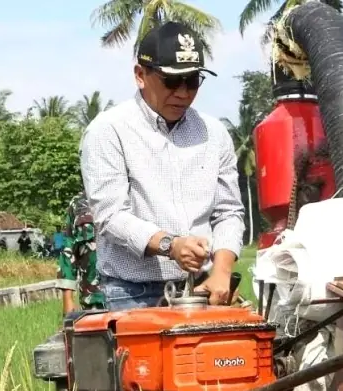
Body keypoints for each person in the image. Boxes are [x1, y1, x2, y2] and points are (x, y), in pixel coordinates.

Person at [80, 21, 245, 311]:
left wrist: (221, 271)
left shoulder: (214, 133)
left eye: (192, 80)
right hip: (131, 295)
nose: (183, 92)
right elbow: (110, 215)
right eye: (171, 81)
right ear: (140, 75)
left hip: (202, 289)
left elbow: (229, 212)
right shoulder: (108, 131)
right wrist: (171, 245)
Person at [59, 192, 105, 313]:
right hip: (94, 301)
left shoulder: (132, 196)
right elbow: (67, 252)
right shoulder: (78, 203)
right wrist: (67, 300)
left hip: (134, 298)